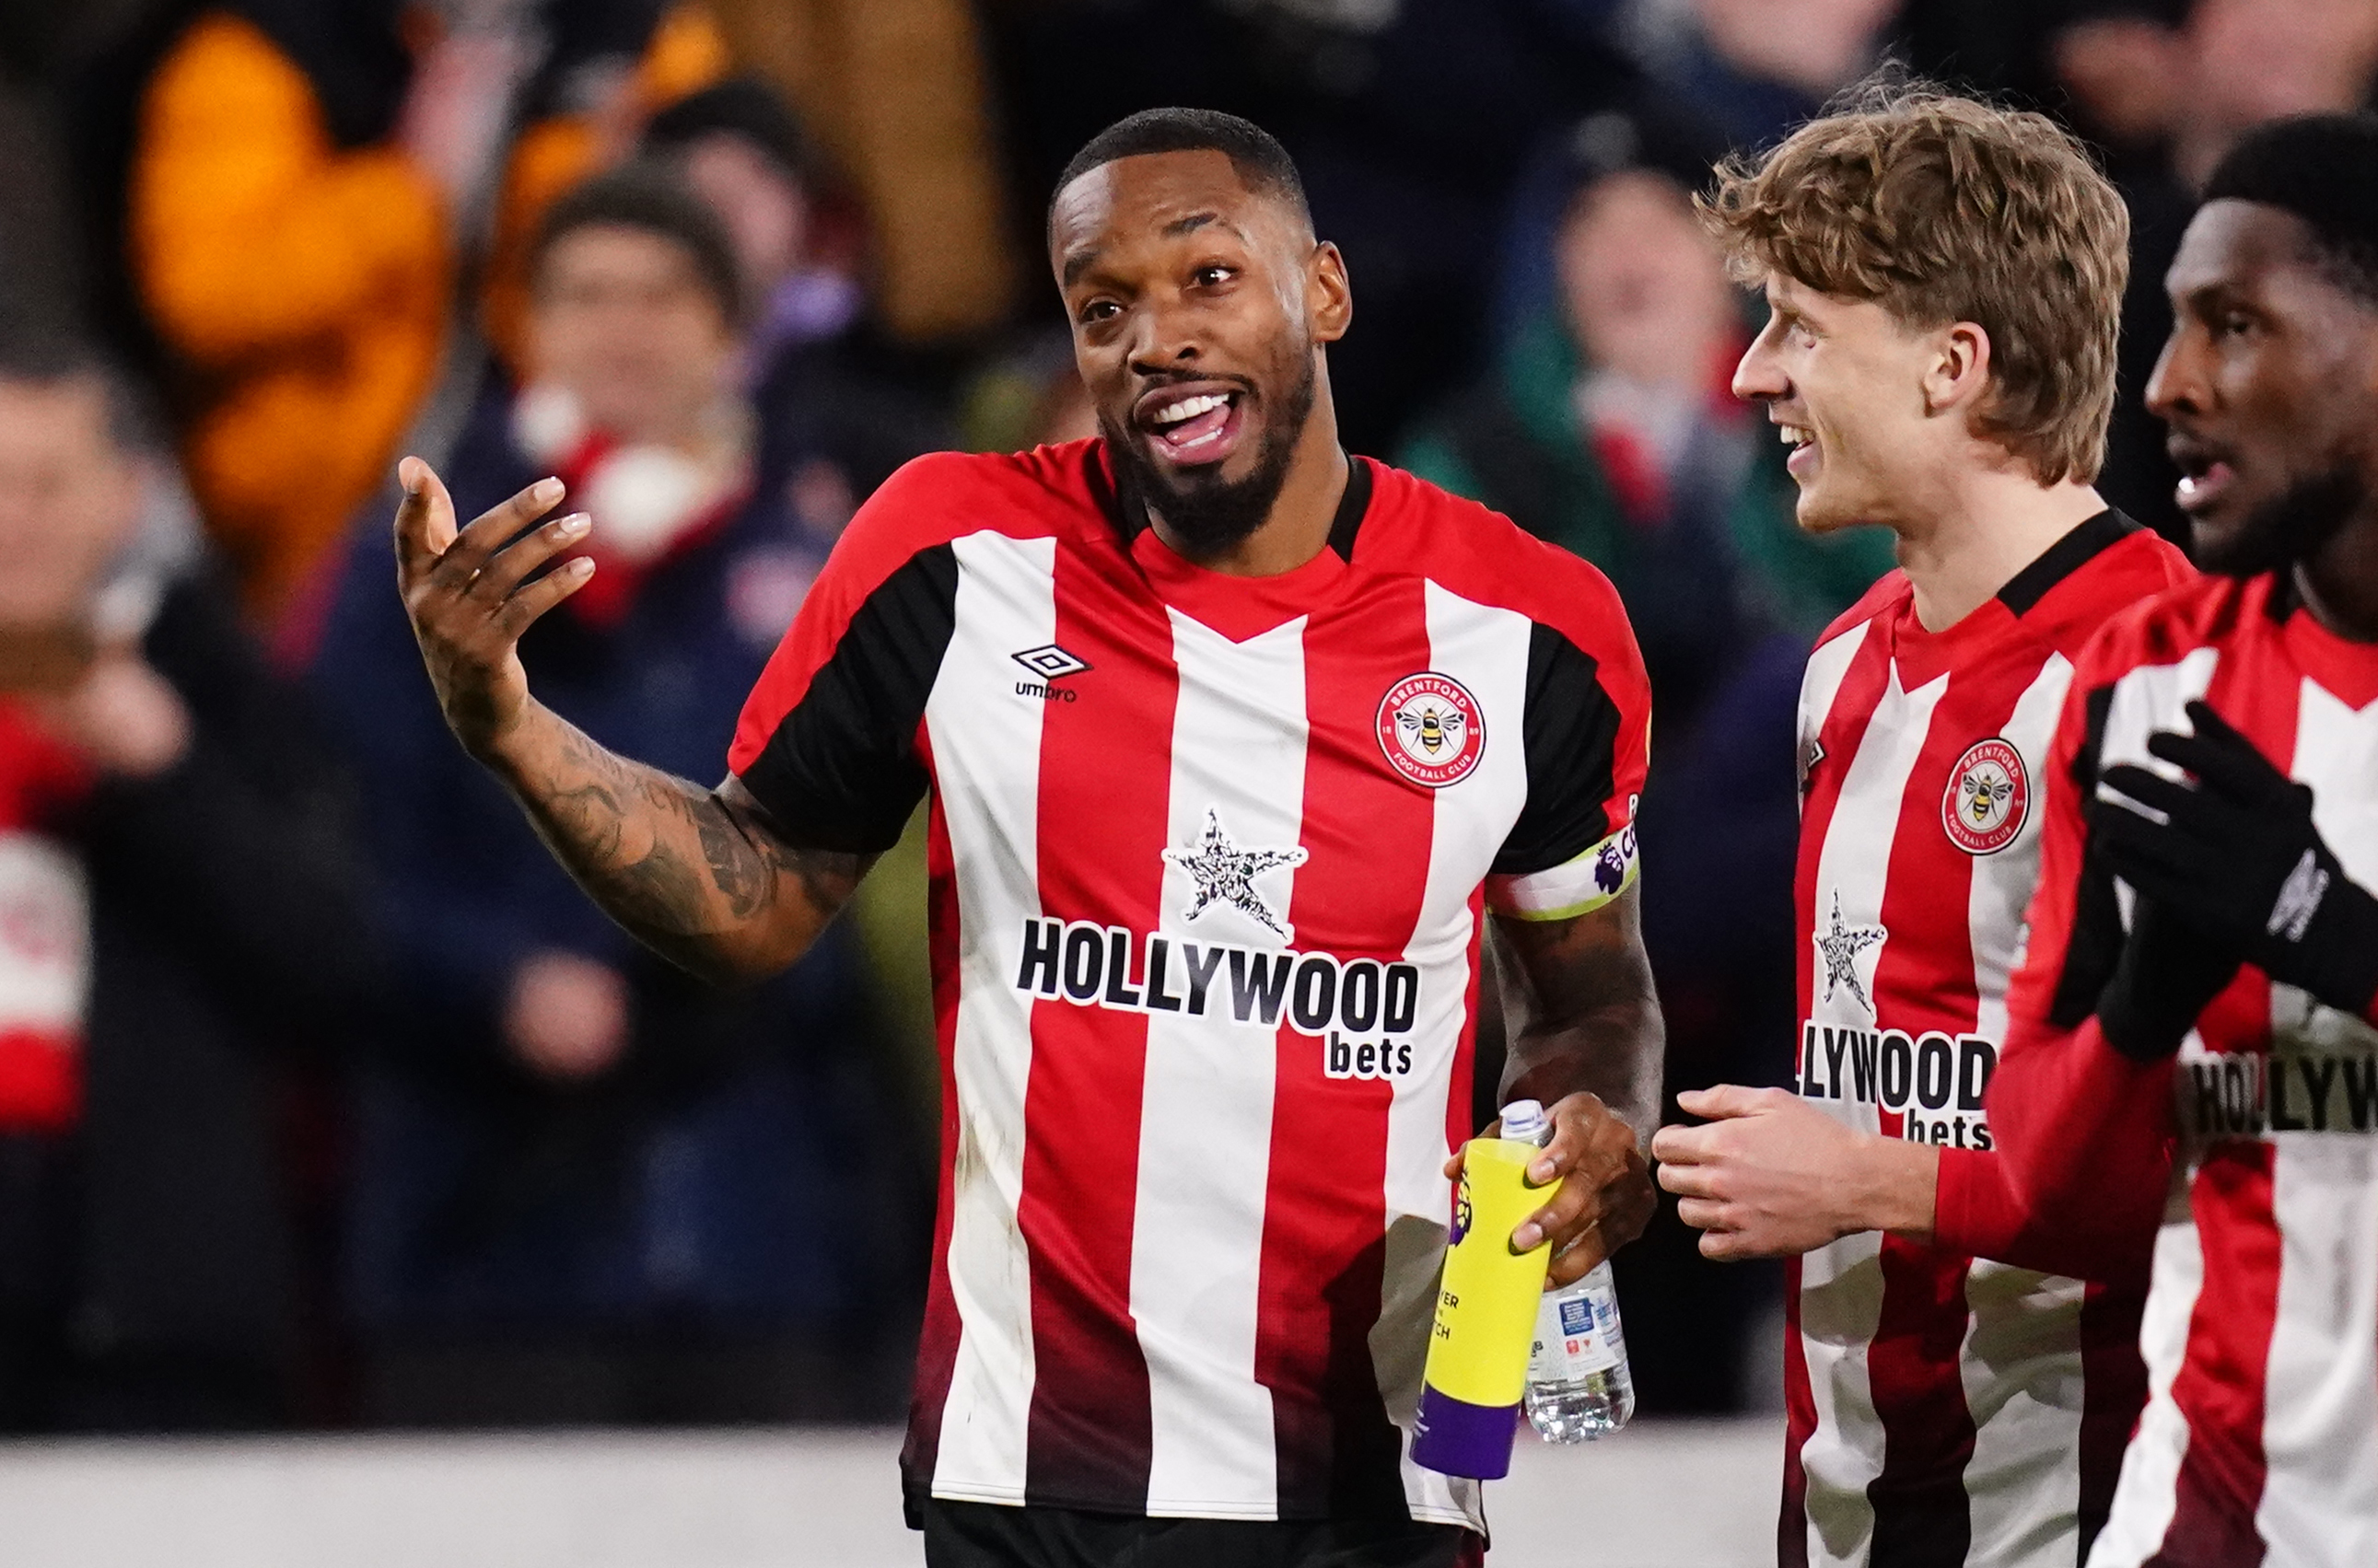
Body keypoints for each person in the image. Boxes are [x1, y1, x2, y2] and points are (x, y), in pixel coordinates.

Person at [382, 107, 1662, 1564]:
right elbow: (754, 891)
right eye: (1101, 306)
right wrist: (513, 728)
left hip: (1372, 1476)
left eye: (1205, 279)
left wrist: (1595, 1123)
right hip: (1038, 1467)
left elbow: (1588, 990)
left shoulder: (1534, 631)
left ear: (1321, 290)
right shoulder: (952, 553)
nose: (1153, 336)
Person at [1645, 85, 2194, 1567]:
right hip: (1850, 1498)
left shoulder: (2163, 676)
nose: (1750, 371)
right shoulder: (1846, 661)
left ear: (1955, 365)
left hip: (2087, 1506)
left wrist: (1863, 1179)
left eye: (1799, 328)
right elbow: (1867, 1069)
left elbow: (2235, 1166)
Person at [310, 162, 904, 1424]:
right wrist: (498, 979)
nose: (622, 327)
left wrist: (713, 958)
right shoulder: (415, 564)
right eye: (584, 293)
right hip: (484, 1232)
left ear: (729, 327)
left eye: (661, 294)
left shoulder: (829, 561)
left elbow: (874, 862)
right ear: (530, 321)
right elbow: (339, 851)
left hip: (761, 1230)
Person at [1944, 112, 2378, 1565]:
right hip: (2212, 1511)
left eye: (2234, 325)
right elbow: (2043, 1196)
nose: (2169, 384)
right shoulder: (2146, 688)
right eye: (2172, 327)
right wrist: (2139, 1006)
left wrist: (2337, 936)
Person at [0, 319, 372, 1429]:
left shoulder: (223, 683)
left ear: (125, 495)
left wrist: (169, 775)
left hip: (158, 1312)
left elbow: (336, 961)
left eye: (46, 482)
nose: (14, 518)